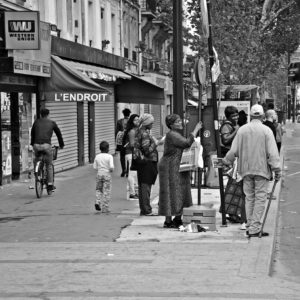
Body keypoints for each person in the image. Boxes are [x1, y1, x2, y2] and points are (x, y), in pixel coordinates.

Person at [222, 104, 281, 237]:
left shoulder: (242, 130)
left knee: (249, 198)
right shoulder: (266, 131)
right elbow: (272, 152)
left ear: (251, 116)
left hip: (246, 170)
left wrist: (226, 161)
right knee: (260, 198)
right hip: (261, 170)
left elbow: (233, 150)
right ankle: (254, 228)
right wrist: (277, 169)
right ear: (262, 116)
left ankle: (250, 225)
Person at [158, 114, 202, 228]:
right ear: (171, 125)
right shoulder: (172, 135)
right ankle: (168, 220)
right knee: (171, 191)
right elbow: (186, 143)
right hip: (170, 167)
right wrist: (196, 129)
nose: (180, 123)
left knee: (181, 191)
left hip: (178, 166)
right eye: (177, 122)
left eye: (180, 121)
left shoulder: (175, 134)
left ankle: (178, 218)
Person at [135, 114, 163, 216]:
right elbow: (147, 150)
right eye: (151, 122)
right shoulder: (145, 134)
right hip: (148, 162)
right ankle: (147, 209)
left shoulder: (139, 131)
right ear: (146, 123)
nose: (152, 124)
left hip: (142, 162)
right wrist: (156, 143)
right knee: (146, 186)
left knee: (143, 185)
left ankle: (144, 209)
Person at [30, 108, 64, 192]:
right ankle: (49, 184)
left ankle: (37, 174)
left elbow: (32, 134)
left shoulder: (36, 122)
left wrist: (32, 144)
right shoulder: (52, 123)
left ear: (41, 115)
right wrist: (61, 145)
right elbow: (59, 134)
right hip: (46, 146)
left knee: (36, 159)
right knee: (49, 164)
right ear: (48, 114)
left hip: (36, 145)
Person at [93, 141, 114, 213]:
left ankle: (97, 202)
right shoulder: (109, 156)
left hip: (99, 175)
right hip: (107, 175)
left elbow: (95, 167)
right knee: (106, 191)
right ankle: (105, 207)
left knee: (98, 189)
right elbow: (111, 167)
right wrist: (111, 170)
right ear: (107, 148)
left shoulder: (97, 156)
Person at [122, 114, 140, 200]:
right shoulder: (132, 131)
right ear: (131, 121)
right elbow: (132, 144)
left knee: (133, 174)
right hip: (130, 154)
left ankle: (133, 192)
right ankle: (132, 193)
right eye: (135, 120)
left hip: (132, 153)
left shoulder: (136, 130)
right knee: (132, 174)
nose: (137, 121)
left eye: (138, 119)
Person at [116, 108, 131, 177]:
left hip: (121, 142)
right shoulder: (131, 122)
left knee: (122, 156)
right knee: (128, 156)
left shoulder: (119, 121)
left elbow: (117, 133)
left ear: (123, 114)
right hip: (128, 141)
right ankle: (128, 171)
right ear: (129, 114)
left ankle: (123, 171)